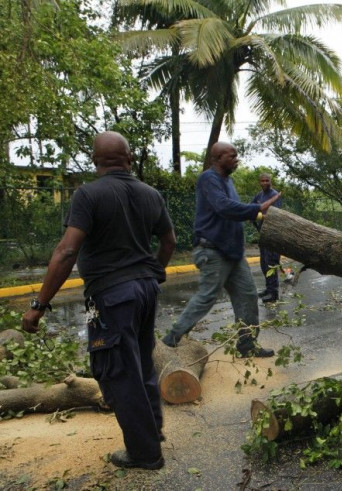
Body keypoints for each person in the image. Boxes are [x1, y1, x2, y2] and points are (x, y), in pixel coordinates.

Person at [21, 131, 177, 471]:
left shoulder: (88, 195)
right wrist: (154, 274)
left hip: (112, 296)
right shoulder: (151, 194)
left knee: (119, 373)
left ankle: (145, 453)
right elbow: (168, 242)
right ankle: (153, 432)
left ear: (95, 161)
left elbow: (66, 250)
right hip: (145, 291)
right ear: (130, 158)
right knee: (142, 364)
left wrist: (39, 305)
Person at [161, 142, 281, 357]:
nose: (236, 159)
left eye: (236, 156)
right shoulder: (209, 179)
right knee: (207, 296)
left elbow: (234, 210)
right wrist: (257, 209)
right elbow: (223, 207)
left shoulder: (229, 181)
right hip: (213, 250)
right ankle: (170, 340)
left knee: (248, 295)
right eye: (232, 156)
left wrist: (255, 213)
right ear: (217, 158)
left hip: (233, 253)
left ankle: (247, 345)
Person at [251, 173, 282, 303]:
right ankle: (268, 289)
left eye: (267, 180)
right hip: (263, 234)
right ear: (259, 182)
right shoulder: (259, 195)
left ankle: (273, 293)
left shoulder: (274, 195)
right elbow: (250, 207)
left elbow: (274, 216)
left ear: (271, 181)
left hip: (273, 234)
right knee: (264, 264)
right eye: (262, 181)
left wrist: (258, 215)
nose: (264, 183)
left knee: (271, 263)